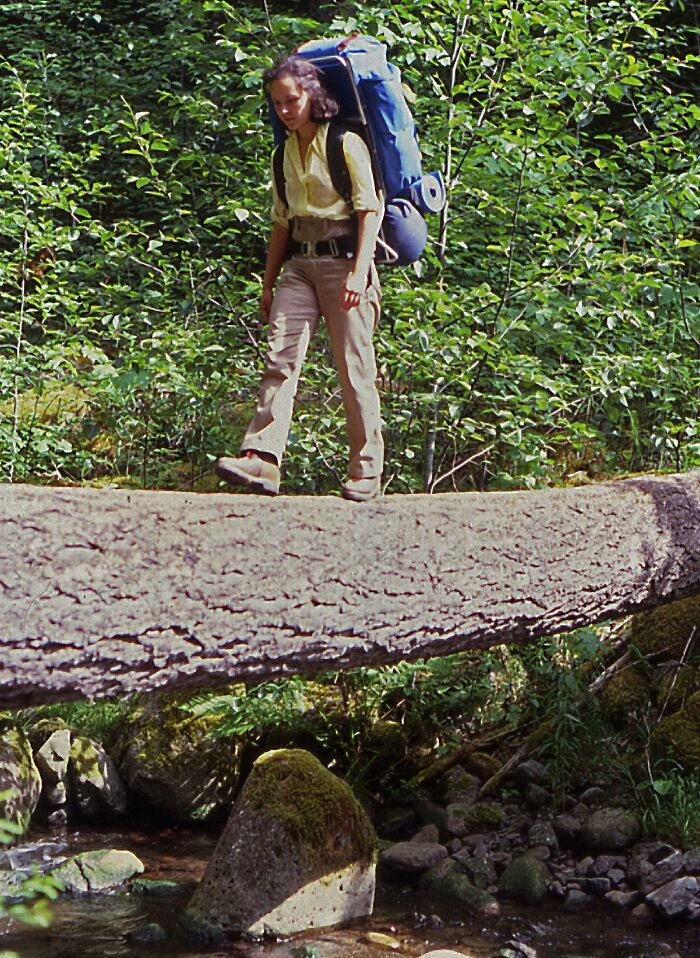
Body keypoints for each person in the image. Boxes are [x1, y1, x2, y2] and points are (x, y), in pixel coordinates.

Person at [214, 55, 384, 502]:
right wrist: (268, 284)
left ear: (314, 96)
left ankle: (367, 470)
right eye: (277, 102)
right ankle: (262, 459)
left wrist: (359, 271)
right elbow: (281, 224)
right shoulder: (282, 152)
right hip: (299, 266)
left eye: (292, 99)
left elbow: (371, 209)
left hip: (344, 261)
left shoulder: (346, 143)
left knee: (353, 367)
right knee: (279, 360)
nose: (284, 109)